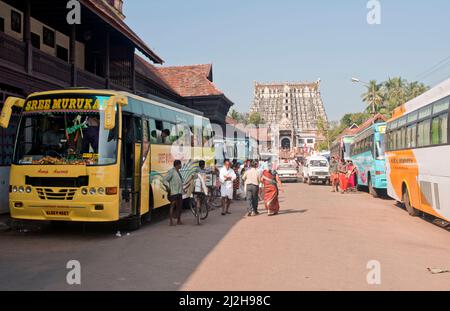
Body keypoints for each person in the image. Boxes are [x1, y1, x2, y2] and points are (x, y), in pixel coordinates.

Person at [164, 160, 184, 226]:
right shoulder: (171, 171)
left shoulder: (178, 171)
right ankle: (171, 221)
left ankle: (179, 220)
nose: (181, 165)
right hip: (173, 192)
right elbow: (165, 180)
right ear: (177, 165)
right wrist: (167, 187)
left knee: (179, 207)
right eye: (180, 164)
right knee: (172, 206)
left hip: (179, 192)